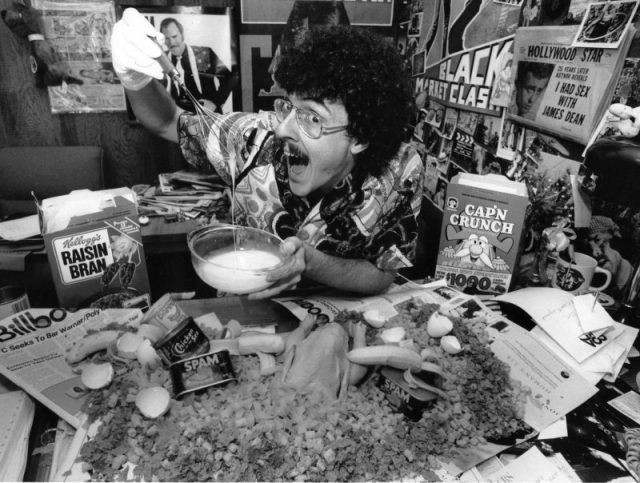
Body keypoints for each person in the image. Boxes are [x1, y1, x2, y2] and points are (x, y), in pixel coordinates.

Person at [111, 8, 425, 299]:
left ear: (360, 136)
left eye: (312, 117)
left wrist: (311, 262)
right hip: (244, 313)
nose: (282, 129)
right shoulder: (251, 140)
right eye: (288, 106)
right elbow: (168, 121)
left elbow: (383, 273)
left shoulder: (399, 172)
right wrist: (134, 78)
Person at [159, 17, 237, 113]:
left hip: (207, 116)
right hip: (179, 118)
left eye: (175, 37)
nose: (171, 43)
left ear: (182, 35)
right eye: (167, 38)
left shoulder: (203, 54)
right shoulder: (163, 59)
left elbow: (231, 77)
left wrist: (214, 102)